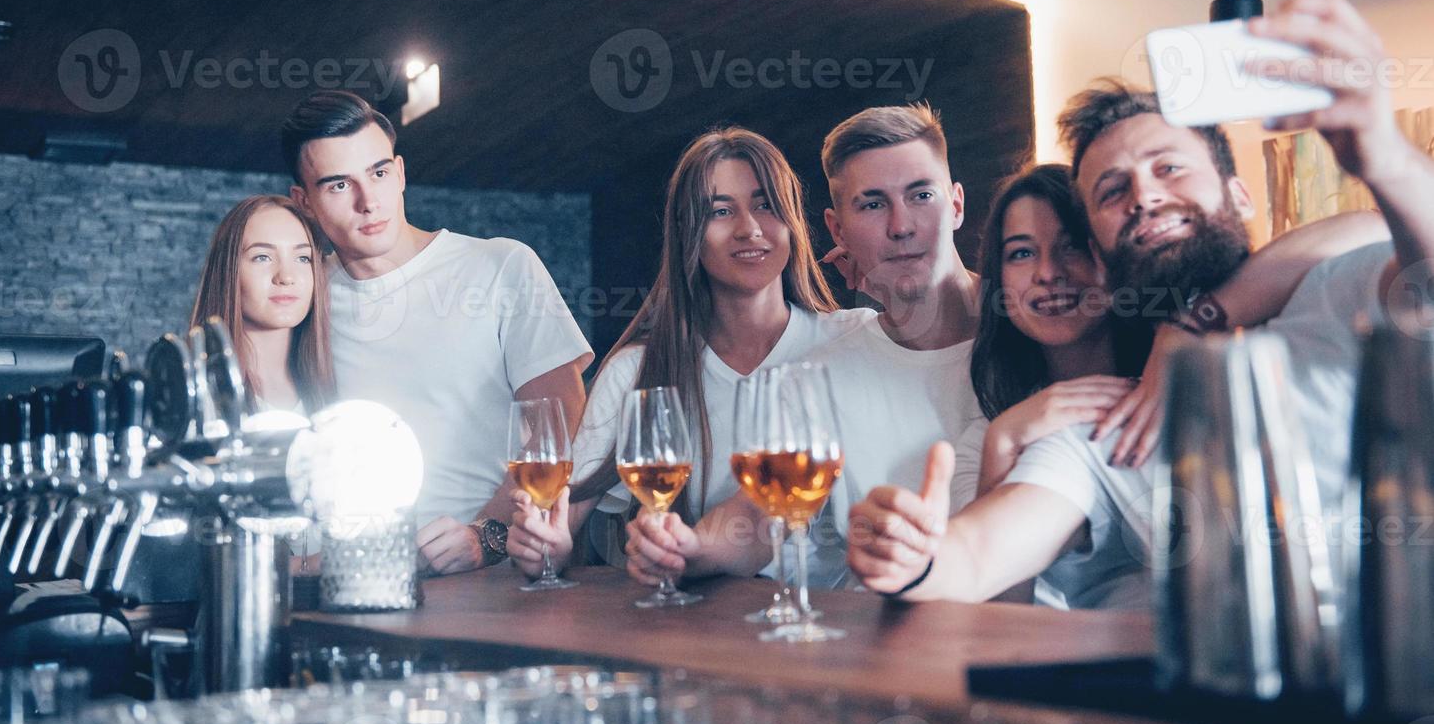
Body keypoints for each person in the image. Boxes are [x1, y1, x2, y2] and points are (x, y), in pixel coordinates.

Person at [848, 0, 1421, 606]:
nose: (1143, 196)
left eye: (1169, 168)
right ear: (1103, 242)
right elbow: (980, 553)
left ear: (1240, 194)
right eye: (1113, 190)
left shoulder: (1333, 295)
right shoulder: (1107, 428)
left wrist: (1385, 155)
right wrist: (916, 560)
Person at [618, 105, 989, 591]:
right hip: (882, 641)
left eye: (921, 195)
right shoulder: (823, 371)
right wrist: (690, 549)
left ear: (956, 204)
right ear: (838, 230)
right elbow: (761, 515)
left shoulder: (1039, 331)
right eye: (873, 204)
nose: (901, 225)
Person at [505, 126, 870, 581]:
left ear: (793, 221)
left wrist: (888, 280)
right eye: (721, 211)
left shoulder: (855, 341)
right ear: (688, 235)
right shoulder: (635, 371)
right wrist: (546, 549)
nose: (750, 228)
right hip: (693, 633)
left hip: (833, 632)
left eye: (766, 205)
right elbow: (561, 527)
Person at [282, 90, 592, 575]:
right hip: (352, 587)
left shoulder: (501, 266)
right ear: (304, 202)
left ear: (401, 172)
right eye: (339, 185)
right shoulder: (304, 299)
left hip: (488, 584)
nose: (369, 202)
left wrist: (486, 535)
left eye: (379, 173)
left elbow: (563, 422)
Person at [188, 194, 335, 415]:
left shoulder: (336, 387)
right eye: (262, 257)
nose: (286, 276)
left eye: (303, 258)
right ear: (228, 271)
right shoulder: (193, 391)